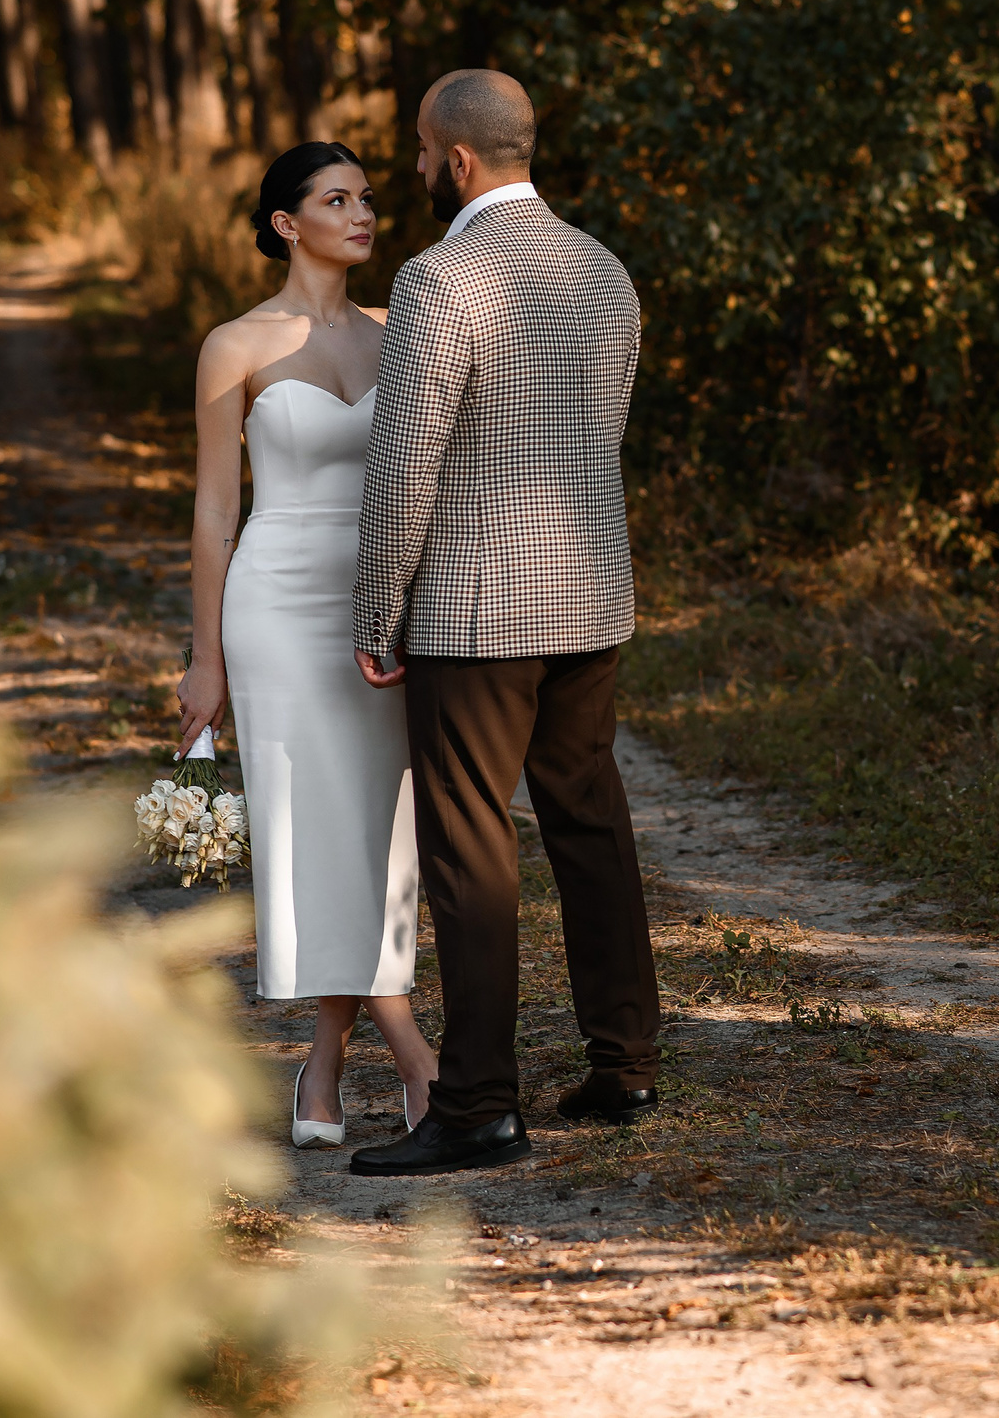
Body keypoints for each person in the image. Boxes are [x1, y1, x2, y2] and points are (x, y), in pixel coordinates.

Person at [345, 69, 662, 1179]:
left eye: (424, 156)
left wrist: (377, 605)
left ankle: (477, 1102)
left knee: (471, 842)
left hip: (477, 610)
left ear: (460, 159)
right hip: (590, 593)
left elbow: (405, 464)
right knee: (587, 818)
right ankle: (624, 1062)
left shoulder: (438, 280)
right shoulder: (604, 269)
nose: (417, 173)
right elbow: (602, 429)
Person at [176, 141, 438, 1150]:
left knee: (379, 826)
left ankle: (321, 1069)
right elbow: (212, 516)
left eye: (367, 197)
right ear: (288, 224)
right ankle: (416, 1057)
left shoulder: (400, 330)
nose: (363, 213)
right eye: (337, 200)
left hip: (377, 603)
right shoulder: (233, 346)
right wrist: (208, 659)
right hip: (275, 600)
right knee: (306, 826)